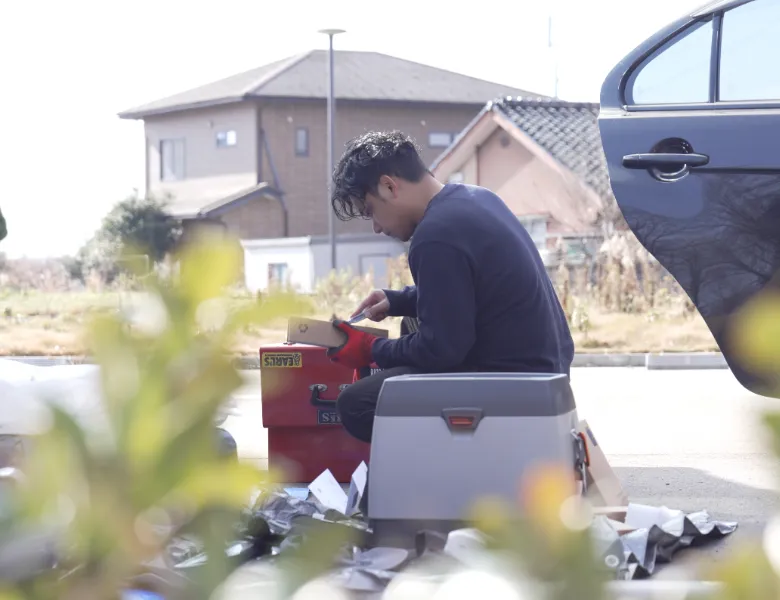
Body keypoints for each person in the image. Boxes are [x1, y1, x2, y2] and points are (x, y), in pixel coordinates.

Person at [326, 130, 575, 444]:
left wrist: (370, 349)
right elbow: (472, 289)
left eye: (371, 211)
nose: (376, 227)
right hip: (547, 372)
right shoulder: (477, 198)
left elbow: (441, 349)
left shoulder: (434, 236)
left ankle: (447, 468)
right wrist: (397, 301)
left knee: (356, 404)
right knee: (411, 322)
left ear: (389, 186)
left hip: (512, 384)